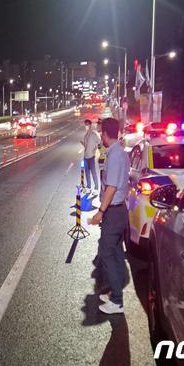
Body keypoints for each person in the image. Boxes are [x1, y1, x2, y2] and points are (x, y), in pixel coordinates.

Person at [88, 117, 130, 314]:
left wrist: (100, 212)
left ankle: (117, 300)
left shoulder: (114, 155)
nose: (101, 137)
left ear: (105, 134)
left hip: (113, 211)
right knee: (116, 253)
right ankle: (115, 291)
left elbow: (111, 187)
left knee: (106, 252)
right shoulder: (120, 152)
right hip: (120, 210)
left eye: (101, 133)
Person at [80, 118, 101, 195]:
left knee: (93, 172)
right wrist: (82, 143)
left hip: (91, 157)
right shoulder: (85, 136)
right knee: (87, 173)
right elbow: (86, 146)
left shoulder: (93, 134)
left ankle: (96, 188)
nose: (86, 126)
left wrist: (95, 150)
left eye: (87, 125)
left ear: (90, 125)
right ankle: (89, 187)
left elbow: (99, 142)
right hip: (85, 156)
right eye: (85, 125)